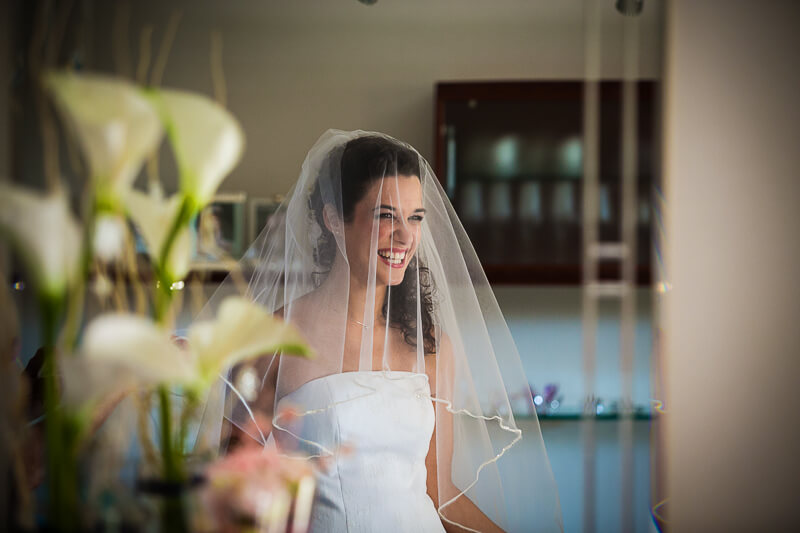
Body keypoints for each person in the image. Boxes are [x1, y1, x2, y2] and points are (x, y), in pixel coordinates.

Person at [203, 130, 562, 532]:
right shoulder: (272, 340)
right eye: (386, 216)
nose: (406, 237)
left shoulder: (429, 347)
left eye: (415, 218)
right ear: (334, 219)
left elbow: (440, 494)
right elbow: (232, 491)